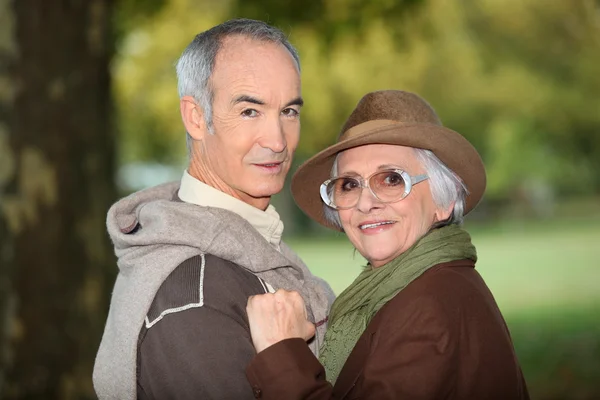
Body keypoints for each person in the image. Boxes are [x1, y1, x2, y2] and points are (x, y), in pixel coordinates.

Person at [92, 19, 334, 400]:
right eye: (249, 111)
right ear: (195, 117)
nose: (277, 141)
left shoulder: (245, 248)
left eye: (288, 111)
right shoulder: (193, 294)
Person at [245, 90, 530, 399]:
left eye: (392, 179)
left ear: (443, 201)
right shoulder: (422, 287)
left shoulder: (428, 306)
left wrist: (282, 352)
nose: (366, 203)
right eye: (349, 185)